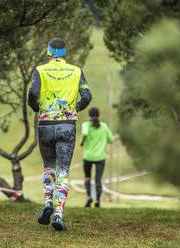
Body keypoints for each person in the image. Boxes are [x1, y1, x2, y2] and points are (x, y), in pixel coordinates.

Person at [28, 38, 92, 231]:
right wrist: (76, 108)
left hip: (46, 123)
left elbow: (32, 94)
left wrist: (37, 108)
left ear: (48, 52)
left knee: (48, 167)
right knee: (63, 169)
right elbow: (87, 96)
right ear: (64, 53)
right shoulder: (76, 71)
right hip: (67, 123)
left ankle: (48, 202)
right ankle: (58, 214)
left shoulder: (40, 70)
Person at [81, 107, 113, 208]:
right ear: (98, 115)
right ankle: (97, 200)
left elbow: (85, 133)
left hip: (88, 156)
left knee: (87, 177)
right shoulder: (104, 126)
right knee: (98, 179)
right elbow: (111, 139)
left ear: (89, 116)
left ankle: (89, 197)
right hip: (100, 157)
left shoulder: (86, 124)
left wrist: (82, 141)